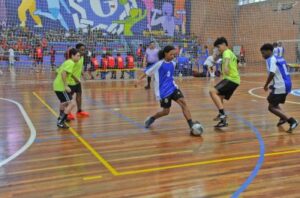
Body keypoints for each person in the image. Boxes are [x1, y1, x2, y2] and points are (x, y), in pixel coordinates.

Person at [135, 45, 198, 134]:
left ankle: (191, 125)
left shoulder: (173, 63)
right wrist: (138, 80)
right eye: (171, 54)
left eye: (174, 55)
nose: (173, 56)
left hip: (173, 88)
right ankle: (152, 118)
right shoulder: (159, 64)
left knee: (183, 103)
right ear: (165, 53)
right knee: (166, 111)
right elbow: (146, 71)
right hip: (163, 92)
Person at [260, 43, 298, 133]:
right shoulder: (280, 58)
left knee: (271, 107)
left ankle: (292, 121)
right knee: (273, 102)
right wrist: (273, 84)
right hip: (287, 83)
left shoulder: (271, 59)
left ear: (269, 51)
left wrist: (265, 85)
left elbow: (272, 73)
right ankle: (282, 118)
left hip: (281, 85)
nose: (262, 55)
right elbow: (280, 72)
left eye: (263, 53)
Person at [209, 37, 240, 128]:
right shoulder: (231, 53)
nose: (218, 49)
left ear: (223, 44)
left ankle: (222, 115)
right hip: (235, 80)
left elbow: (226, 61)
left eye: (218, 47)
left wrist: (225, 68)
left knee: (212, 92)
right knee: (219, 96)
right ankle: (221, 116)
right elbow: (237, 64)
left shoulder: (226, 53)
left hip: (231, 79)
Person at [53, 48, 80, 129]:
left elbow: (57, 71)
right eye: (78, 56)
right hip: (61, 87)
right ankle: (61, 121)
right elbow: (63, 73)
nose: (79, 57)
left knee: (63, 102)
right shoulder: (71, 63)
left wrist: (75, 79)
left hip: (57, 85)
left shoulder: (67, 62)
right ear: (72, 55)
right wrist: (65, 85)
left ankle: (60, 117)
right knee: (72, 103)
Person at [67, 43, 89, 120]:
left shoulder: (82, 57)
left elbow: (80, 68)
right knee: (69, 98)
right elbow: (68, 70)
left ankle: (79, 111)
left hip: (77, 81)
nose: (83, 51)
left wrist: (83, 74)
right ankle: (68, 113)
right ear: (77, 50)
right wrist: (75, 78)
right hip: (70, 81)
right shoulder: (74, 59)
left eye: (84, 49)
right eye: (82, 50)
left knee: (79, 95)